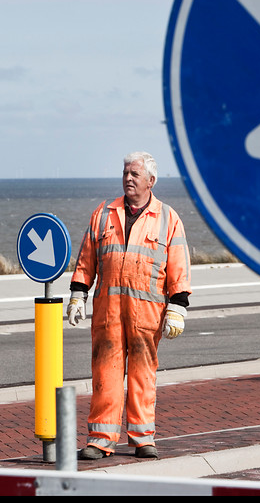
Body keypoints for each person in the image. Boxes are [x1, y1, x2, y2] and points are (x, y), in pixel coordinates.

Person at [66, 151, 191, 460]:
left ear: (151, 181)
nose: (128, 178)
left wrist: (177, 307)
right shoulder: (104, 214)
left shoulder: (168, 218)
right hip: (108, 313)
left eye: (135, 174)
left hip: (146, 315)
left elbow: (179, 267)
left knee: (142, 375)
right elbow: (86, 260)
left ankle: (143, 438)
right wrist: (77, 295)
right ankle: (100, 439)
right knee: (105, 374)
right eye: (125, 173)